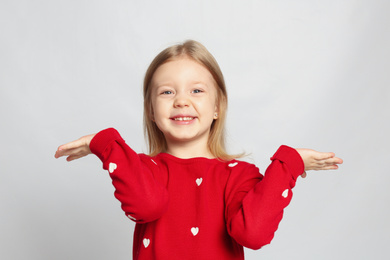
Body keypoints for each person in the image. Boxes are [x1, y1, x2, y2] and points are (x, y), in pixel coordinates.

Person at [54, 40, 343, 260]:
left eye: (196, 91)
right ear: (151, 111)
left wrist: (287, 166)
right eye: (167, 92)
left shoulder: (239, 175)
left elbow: (253, 234)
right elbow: (146, 205)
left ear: (217, 107)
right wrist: (108, 146)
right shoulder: (141, 169)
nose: (181, 101)